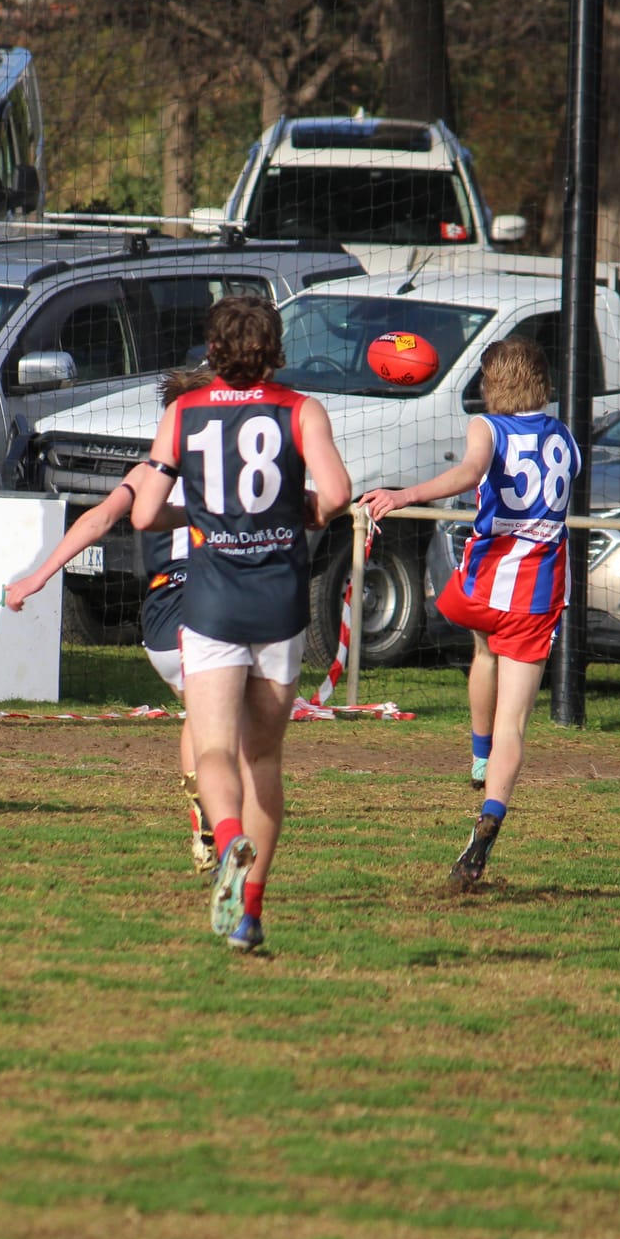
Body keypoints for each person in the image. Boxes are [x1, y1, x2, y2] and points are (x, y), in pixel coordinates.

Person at [129, 295, 351, 953]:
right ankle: (249, 915)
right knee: (265, 758)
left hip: (213, 602)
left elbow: (144, 514)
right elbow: (338, 495)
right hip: (279, 603)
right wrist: (301, 510)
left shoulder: (183, 412)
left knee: (214, 751)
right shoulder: (302, 409)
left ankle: (227, 840)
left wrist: (196, 514)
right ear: (276, 347)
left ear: (214, 350)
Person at [360, 338, 579, 887]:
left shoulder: (487, 426)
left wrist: (402, 495)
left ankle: (479, 757)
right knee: (515, 723)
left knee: (482, 646)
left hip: (482, 586)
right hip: (538, 594)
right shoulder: (564, 435)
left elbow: (468, 473)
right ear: (544, 384)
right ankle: (491, 814)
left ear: (490, 385)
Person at [4, 368, 218, 873]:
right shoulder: (231, 471)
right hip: (202, 605)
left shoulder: (147, 474)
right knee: (222, 720)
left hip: (164, 619)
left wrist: (39, 576)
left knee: (204, 713)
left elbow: (99, 517)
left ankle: (205, 817)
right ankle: (219, 814)